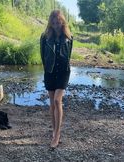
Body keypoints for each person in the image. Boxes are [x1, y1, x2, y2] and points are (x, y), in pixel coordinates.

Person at [40, 10, 73, 148]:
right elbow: (42, 55)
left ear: (62, 21)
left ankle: (57, 135)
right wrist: (47, 69)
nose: (56, 24)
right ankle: (54, 131)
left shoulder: (69, 37)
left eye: (58, 21)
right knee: (52, 104)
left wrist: (66, 67)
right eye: (53, 22)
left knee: (57, 100)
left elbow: (69, 55)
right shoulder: (45, 37)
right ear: (50, 22)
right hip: (50, 71)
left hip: (63, 72)